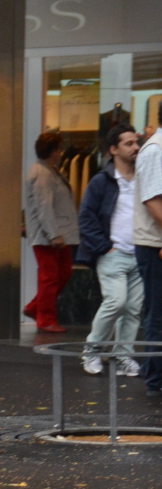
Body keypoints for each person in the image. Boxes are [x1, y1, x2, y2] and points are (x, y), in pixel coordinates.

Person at [76, 125, 142, 376]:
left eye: (136, 142)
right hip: (113, 254)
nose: (135, 147)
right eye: (128, 143)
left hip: (139, 253)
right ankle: (92, 350)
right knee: (117, 301)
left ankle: (122, 356)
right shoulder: (102, 181)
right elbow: (86, 217)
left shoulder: (144, 178)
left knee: (134, 308)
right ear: (113, 150)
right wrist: (105, 247)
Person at [23, 130, 80, 333]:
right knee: (50, 277)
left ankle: (34, 307)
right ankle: (46, 319)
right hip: (49, 236)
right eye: (59, 148)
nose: (61, 152)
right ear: (52, 150)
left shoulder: (49, 170)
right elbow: (44, 205)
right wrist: (53, 233)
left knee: (62, 273)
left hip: (56, 234)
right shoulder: (42, 173)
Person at [133, 104, 162, 396]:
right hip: (155, 245)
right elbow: (153, 201)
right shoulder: (155, 150)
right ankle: (155, 379)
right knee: (158, 314)